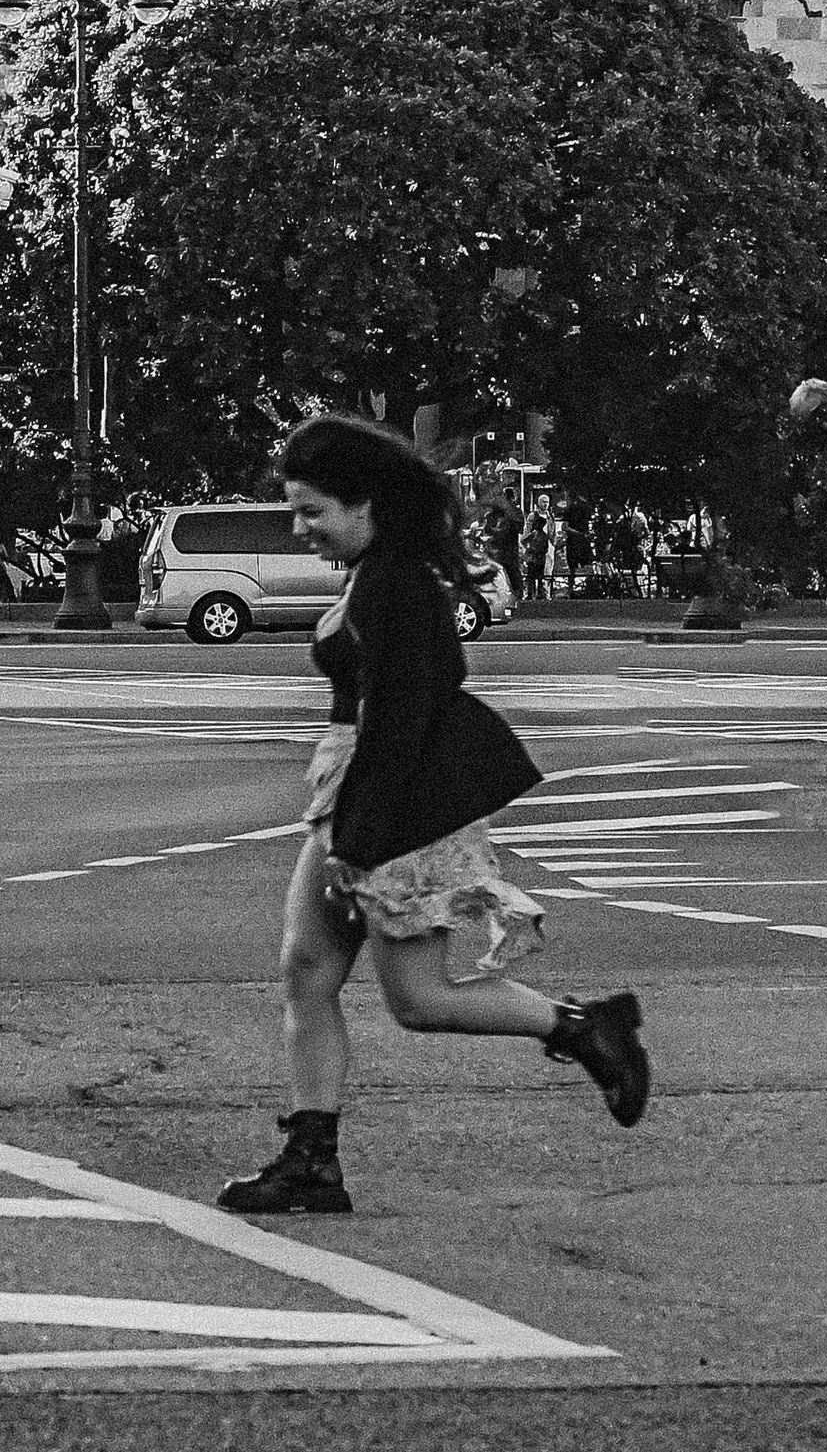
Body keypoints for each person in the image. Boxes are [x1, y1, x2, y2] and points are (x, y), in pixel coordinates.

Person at [218, 413, 649, 1220]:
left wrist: (358, 841)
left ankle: (585, 1027)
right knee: (306, 969)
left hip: (397, 807)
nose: (301, 527)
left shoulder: (397, 584)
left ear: (366, 501)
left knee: (418, 999)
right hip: (360, 791)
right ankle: (311, 1161)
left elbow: (401, 721)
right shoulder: (374, 572)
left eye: (313, 510)